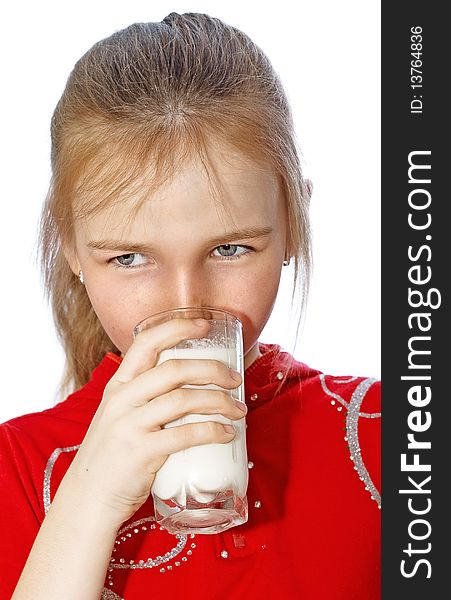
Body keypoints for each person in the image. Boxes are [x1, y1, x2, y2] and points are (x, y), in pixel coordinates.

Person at [0, 12, 380, 600]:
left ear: (292, 226)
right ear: (70, 245)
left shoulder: (395, 440)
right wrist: (91, 501)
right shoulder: (18, 473)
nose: (187, 308)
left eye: (230, 248)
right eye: (129, 258)